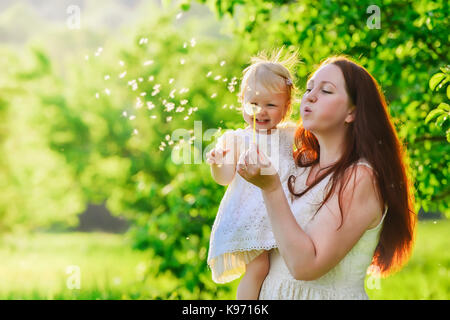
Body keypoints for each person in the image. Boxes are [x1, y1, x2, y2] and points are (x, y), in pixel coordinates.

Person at [236, 55, 417, 299]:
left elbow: (305, 266)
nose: (309, 96)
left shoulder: (361, 178)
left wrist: (270, 189)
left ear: (352, 112)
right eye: (309, 88)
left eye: (326, 91)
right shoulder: (299, 166)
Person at [206, 48, 299, 299]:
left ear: (286, 107)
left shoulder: (289, 135)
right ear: (241, 102)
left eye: (271, 105)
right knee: (259, 269)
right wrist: (217, 163)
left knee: (281, 268)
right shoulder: (237, 139)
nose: (261, 111)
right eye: (253, 104)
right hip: (249, 218)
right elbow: (225, 178)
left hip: (280, 215)